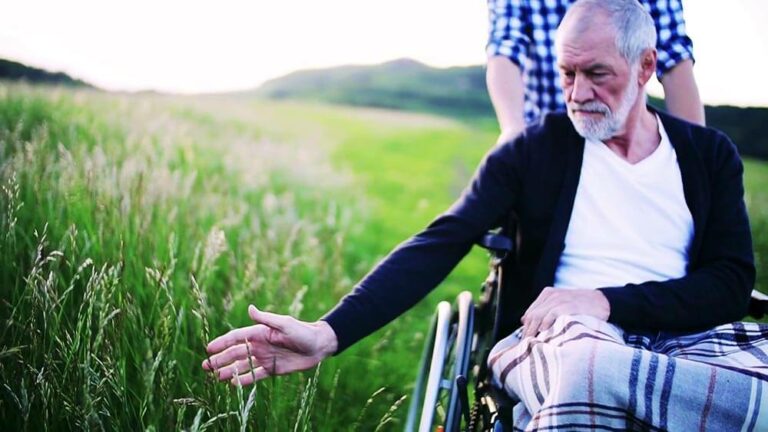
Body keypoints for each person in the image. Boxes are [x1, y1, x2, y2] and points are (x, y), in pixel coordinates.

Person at [202, 0, 767, 428]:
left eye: (596, 74)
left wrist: (607, 298)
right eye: (567, 74)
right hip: (567, 339)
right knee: (589, 372)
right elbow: (441, 241)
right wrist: (329, 332)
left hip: (688, 336)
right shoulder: (534, 150)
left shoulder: (706, 155)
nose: (576, 93)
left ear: (646, 67)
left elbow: (729, 282)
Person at [486, 0, 705, 144]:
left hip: (620, 140)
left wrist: (695, 147)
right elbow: (504, 51)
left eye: (597, 73)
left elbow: (675, 63)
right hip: (546, 142)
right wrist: (513, 129)